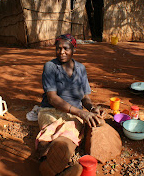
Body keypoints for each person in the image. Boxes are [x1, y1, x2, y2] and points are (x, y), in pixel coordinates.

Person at [36, 34, 103, 176]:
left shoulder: (81, 69)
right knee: (49, 131)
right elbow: (52, 98)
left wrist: (91, 108)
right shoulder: (50, 67)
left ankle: (50, 166)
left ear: (74, 50)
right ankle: (49, 163)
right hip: (50, 109)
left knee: (67, 135)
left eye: (66, 48)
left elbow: (85, 97)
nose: (61, 52)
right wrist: (80, 113)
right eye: (58, 49)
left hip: (75, 113)